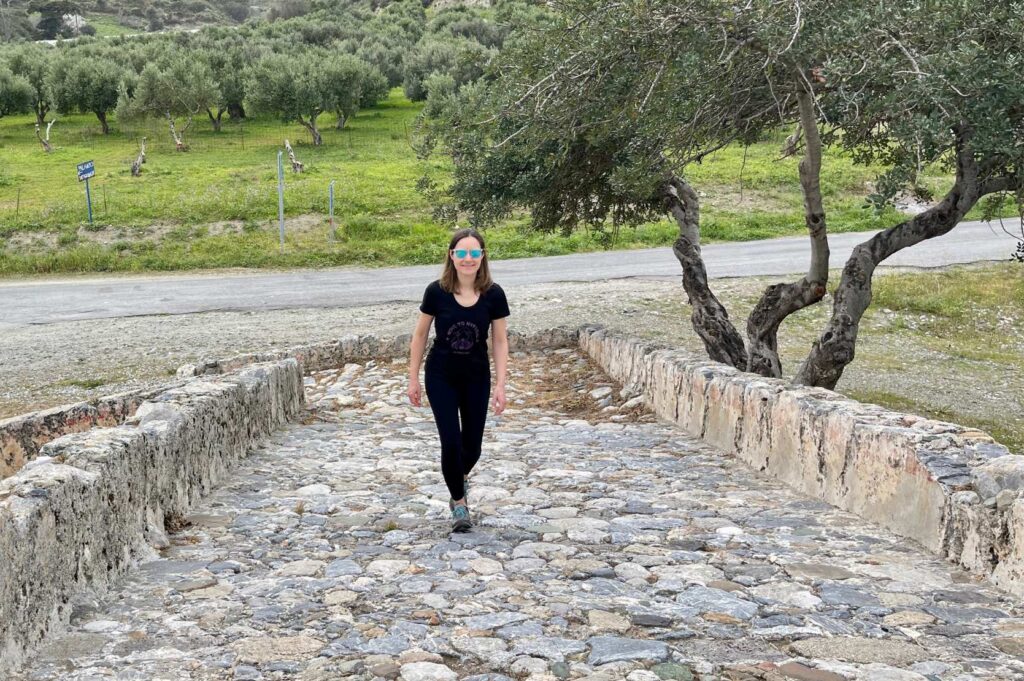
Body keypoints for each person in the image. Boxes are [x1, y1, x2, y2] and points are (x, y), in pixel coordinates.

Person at [407, 228, 510, 532]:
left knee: (472, 448)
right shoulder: (436, 292)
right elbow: (420, 335)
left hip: (476, 377)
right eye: (461, 253)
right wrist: (412, 378)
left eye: (474, 252)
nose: (468, 259)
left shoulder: (494, 294)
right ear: (451, 256)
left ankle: (457, 478)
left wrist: (501, 384)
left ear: (482, 256)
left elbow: (500, 340)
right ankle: (459, 504)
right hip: (441, 375)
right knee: (451, 442)